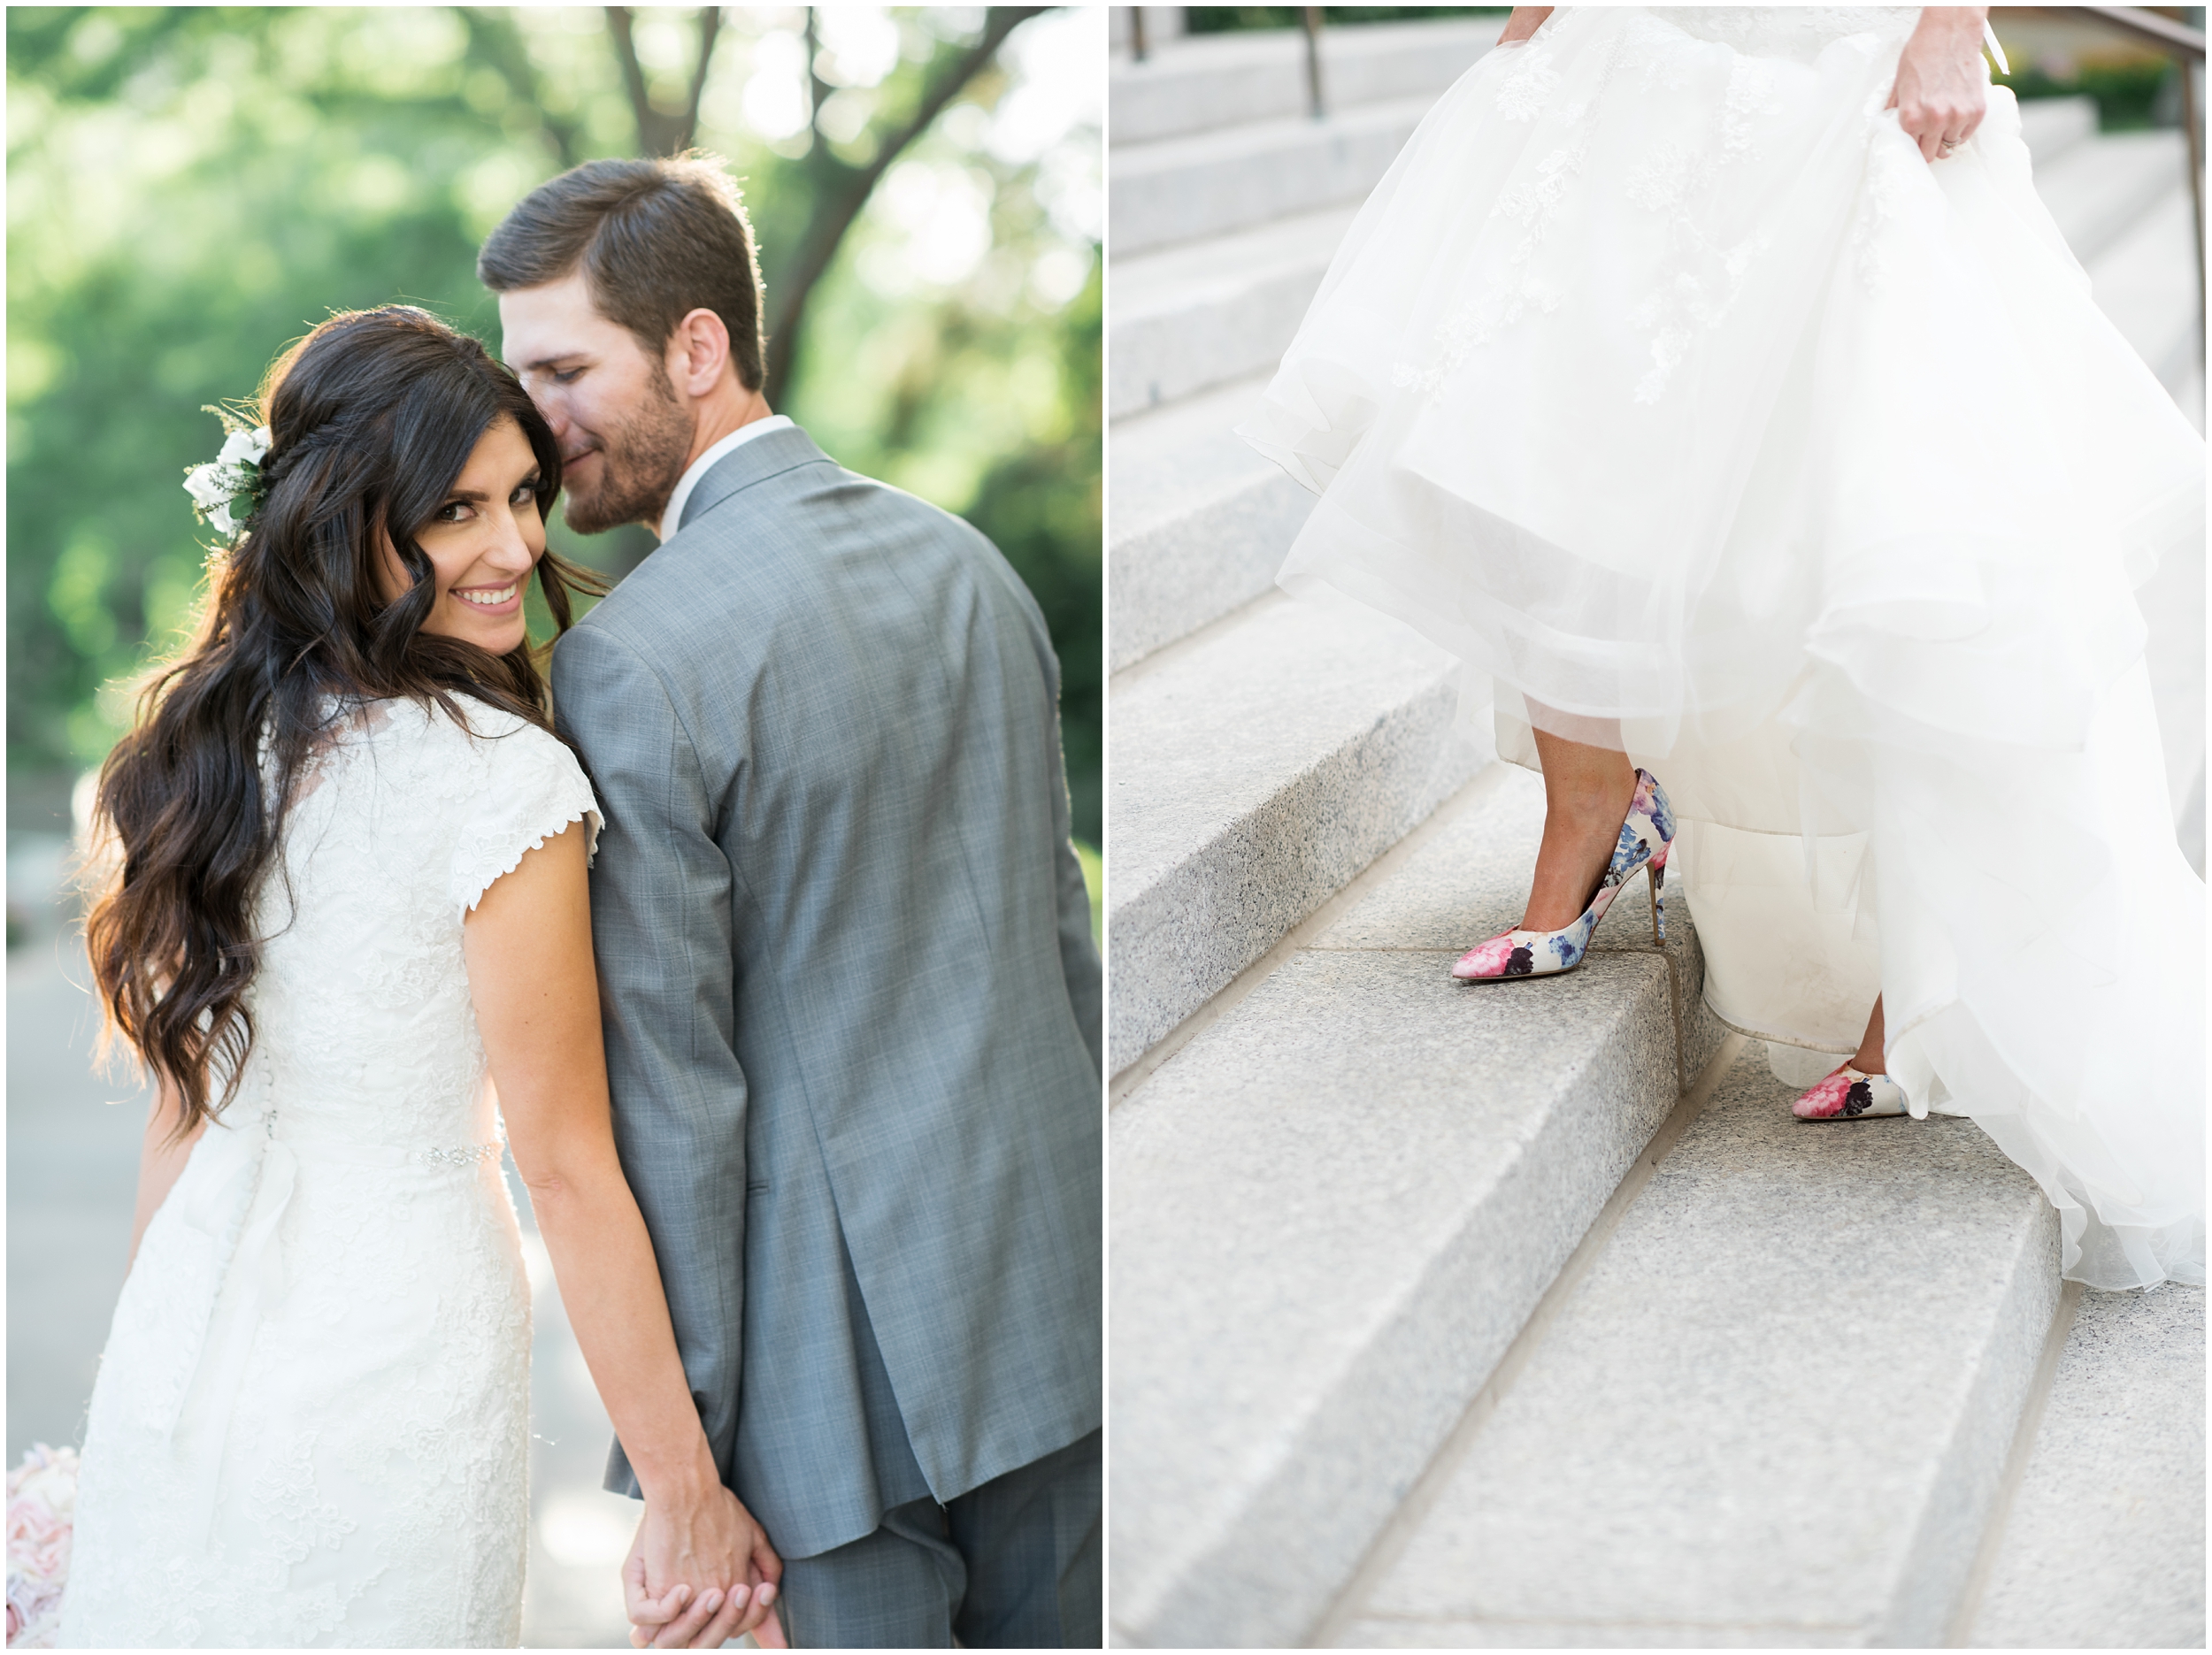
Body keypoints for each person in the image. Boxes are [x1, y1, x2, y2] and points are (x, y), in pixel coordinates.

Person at [1240, 6, 2204, 1290]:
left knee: (1874, 507)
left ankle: (1913, 968)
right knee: (1530, 421)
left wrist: (1947, 21)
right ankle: (1591, 804)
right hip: (1643, 35)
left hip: (1841, 48)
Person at [60, 307, 776, 1647]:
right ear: (343, 524)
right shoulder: (501, 785)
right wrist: (685, 1494)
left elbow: (184, 1114)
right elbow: (565, 1167)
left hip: (187, 1333)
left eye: (521, 497)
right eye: (455, 512)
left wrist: (143, 1381)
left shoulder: (205, 759)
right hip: (395, 1345)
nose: (514, 548)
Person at [476, 155, 1103, 1650]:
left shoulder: (633, 663)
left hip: (835, 1387)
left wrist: (688, 1467)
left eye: (566, 369)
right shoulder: (968, 565)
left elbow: (676, 1097)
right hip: (1063, 1297)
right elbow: (1060, 944)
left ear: (698, 348)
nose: (533, 419)